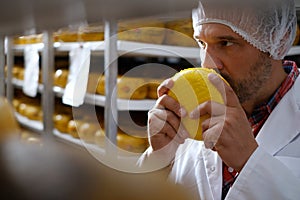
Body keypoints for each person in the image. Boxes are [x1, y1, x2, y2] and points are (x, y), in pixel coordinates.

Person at [138, 0, 300, 199]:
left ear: (278, 40)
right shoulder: (190, 113)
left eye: (225, 43)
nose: (207, 63)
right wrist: (157, 160)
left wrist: (249, 160)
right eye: (202, 43)